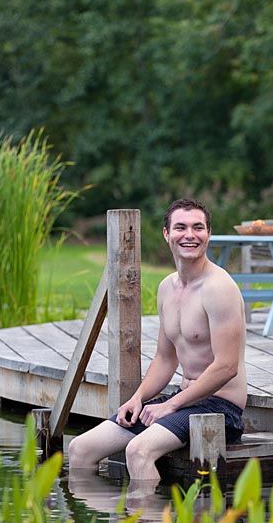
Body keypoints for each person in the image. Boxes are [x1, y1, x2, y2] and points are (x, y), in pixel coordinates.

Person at [68, 197, 247, 482]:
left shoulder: (219, 288)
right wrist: (138, 399)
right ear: (166, 234)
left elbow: (227, 366)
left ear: (208, 234)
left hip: (219, 408)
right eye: (181, 227)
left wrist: (170, 406)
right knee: (80, 450)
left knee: (138, 451)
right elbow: (165, 358)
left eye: (198, 227)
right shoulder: (167, 288)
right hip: (183, 401)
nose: (189, 235)